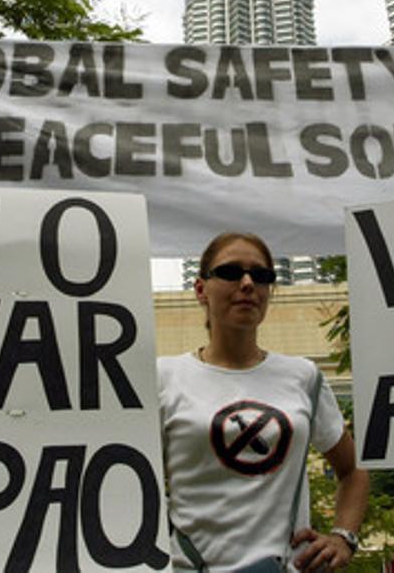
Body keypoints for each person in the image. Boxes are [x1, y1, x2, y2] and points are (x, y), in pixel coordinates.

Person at [157, 232, 368, 570]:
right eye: (230, 272)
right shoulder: (165, 376)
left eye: (261, 275)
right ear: (200, 289)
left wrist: (344, 536)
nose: (246, 283)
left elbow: (353, 469)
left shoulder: (304, 377)